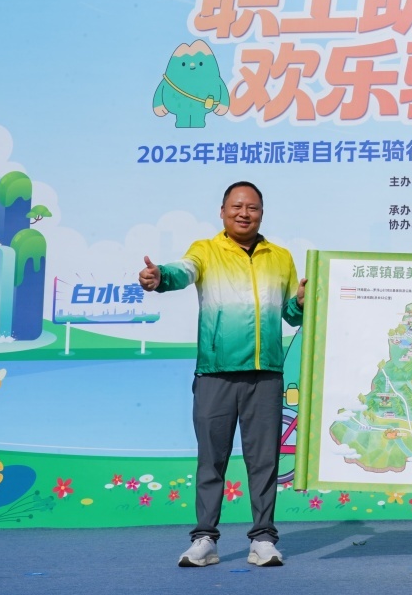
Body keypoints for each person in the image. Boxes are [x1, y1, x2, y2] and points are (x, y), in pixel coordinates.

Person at [138, 181, 306, 568]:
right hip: (216, 373)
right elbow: (182, 271)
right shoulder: (206, 251)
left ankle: (263, 539)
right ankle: (205, 540)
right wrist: (160, 277)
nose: (244, 213)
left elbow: (290, 315)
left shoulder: (280, 257)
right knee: (211, 459)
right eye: (237, 206)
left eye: (253, 208)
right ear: (222, 211)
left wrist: (299, 301)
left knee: (264, 461)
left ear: (262, 213)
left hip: (265, 373)